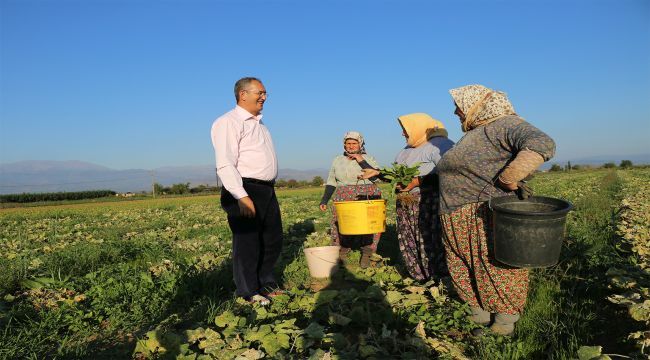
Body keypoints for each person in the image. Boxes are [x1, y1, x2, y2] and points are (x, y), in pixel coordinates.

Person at [436, 84, 556, 336]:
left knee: (495, 265)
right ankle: (478, 317)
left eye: (459, 105)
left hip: (485, 211)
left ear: (476, 104)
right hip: (456, 213)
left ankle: (503, 324)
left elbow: (542, 143)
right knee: (463, 264)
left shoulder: (504, 125)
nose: (455, 111)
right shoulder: (474, 132)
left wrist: (510, 179)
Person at [210, 77, 283, 306]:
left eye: (265, 93)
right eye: (259, 93)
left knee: (272, 239)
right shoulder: (228, 122)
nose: (263, 97)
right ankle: (249, 292)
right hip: (245, 187)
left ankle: (265, 282)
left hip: (266, 189)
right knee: (247, 242)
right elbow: (225, 162)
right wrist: (240, 196)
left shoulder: (260, 124)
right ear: (243, 94)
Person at [360, 114, 454, 282]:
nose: (403, 133)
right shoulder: (406, 150)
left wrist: (416, 181)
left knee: (429, 238)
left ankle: (439, 278)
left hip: (427, 202)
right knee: (409, 237)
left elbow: (449, 172)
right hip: (405, 203)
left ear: (418, 127)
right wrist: (378, 173)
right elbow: (397, 176)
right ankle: (419, 275)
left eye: (406, 129)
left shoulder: (439, 144)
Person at [319, 131, 382, 269]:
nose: (351, 146)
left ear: (360, 144)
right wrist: (324, 200)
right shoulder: (337, 160)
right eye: (348, 143)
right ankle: (342, 251)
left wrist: (360, 159)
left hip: (366, 194)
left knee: (368, 225)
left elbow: (376, 176)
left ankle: (368, 253)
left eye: (354, 143)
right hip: (343, 195)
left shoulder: (368, 158)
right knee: (341, 223)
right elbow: (331, 181)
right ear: (344, 145)